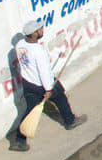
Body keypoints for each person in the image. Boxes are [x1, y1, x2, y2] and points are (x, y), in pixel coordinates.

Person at [11, 20, 85, 150]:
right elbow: (44, 72)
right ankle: (70, 121)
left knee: (29, 112)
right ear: (34, 33)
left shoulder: (20, 45)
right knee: (60, 97)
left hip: (28, 84)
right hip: (42, 84)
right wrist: (49, 89)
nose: (42, 30)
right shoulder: (38, 51)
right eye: (40, 29)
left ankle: (19, 141)